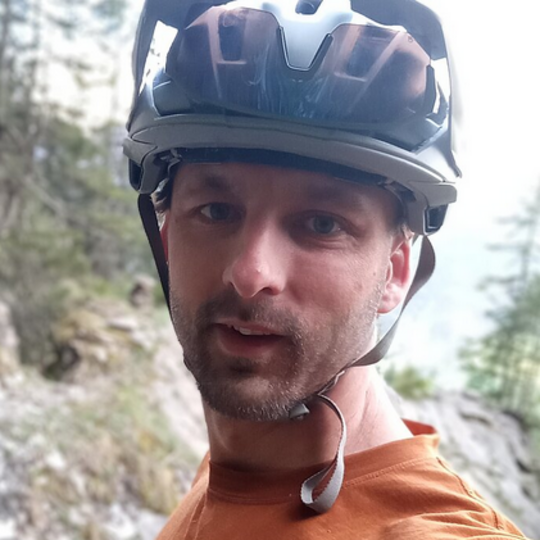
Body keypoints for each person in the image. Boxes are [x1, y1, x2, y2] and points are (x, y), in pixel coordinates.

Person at [124, 0, 529, 538]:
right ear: (167, 236)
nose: (251, 273)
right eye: (216, 211)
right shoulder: (232, 470)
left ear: (396, 272)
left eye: (322, 224)